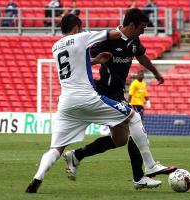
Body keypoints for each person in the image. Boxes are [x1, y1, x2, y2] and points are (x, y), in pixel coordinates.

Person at [25, 13, 162, 193]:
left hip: (66, 103)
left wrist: (96, 61)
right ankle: (149, 167)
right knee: (134, 117)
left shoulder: (56, 47)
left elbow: (76, 62)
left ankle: (38, 176)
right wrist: (122, 31)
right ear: (76, 28)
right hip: (88, 98)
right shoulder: (81, 38)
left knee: (56, 149)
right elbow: (113, 34)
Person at [63, 8, 176, 190]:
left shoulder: (133, 40)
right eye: (142, 28)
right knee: (135, 120)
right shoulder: (108, 39)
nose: (143, 31)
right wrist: (97, 60)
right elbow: (82, 60)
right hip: (103, 93)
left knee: (121, 139)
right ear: (131, 25)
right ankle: (145, 172)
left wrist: (155, 73)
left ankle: (76, 155)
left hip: (116, 93)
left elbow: (141, 56)